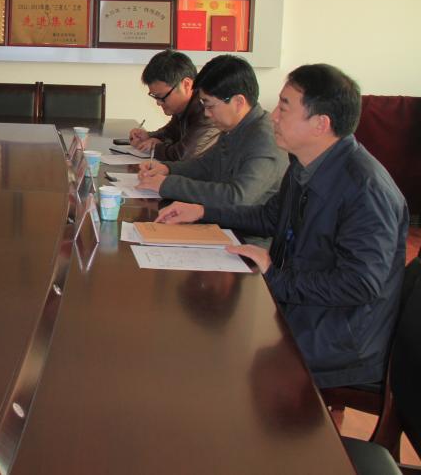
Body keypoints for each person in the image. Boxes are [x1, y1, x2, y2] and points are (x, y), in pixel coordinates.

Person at [157, 64, 407, 388]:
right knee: (198, 329)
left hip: (340, 335)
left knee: (219, 352)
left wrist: (275, 276)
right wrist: (201, 210)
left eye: (284, 108)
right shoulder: (306, 165)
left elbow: (359, 284)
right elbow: (269, 217)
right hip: (303, 308)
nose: (273, 116)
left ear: (320, 124)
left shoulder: (365, 190)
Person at [136, 54, 286, 206]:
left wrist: (168, 184)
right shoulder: (235, 127)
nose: (206, 113)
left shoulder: (266, 140)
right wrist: (167, 169)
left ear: (238, 102)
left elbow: (236, 197)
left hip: (244, 220)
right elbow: (206, 166)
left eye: (209, 106)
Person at [128, 49, 220, 161]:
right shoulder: (183, 106)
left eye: (162, 96)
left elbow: (183, 155)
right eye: (155, 96)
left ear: (186, 84)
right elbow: (170, 132)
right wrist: (148, 136)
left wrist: (155, 148)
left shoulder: (208, 110)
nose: (158, 102)